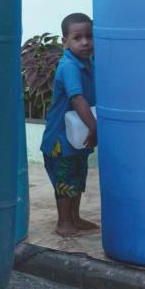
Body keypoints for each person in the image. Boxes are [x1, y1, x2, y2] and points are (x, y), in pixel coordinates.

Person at [40, 13, 98, 237]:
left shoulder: (88, 63)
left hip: (78, 133)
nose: (85, 42)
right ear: (65, 42)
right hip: (61, 138)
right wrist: (94, 128)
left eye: (89, 36)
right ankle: (64, 222)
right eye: (77, 37)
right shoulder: (69, 67)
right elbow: (77, 99)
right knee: (64, 180)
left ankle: (75, 216)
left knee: (77, 174)